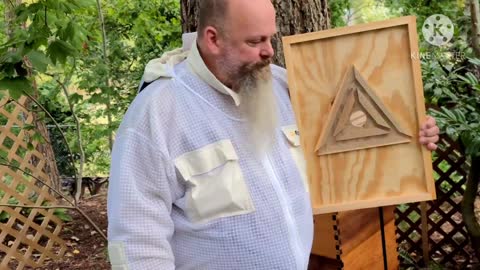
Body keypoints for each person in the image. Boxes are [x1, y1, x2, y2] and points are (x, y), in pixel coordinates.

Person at [107, 0, 440, 269]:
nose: (269, 52)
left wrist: (412, 136)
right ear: (212, 38)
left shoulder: (284, 85)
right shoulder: (157, 113)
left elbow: (356, 143)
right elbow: (136, 241)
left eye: (270, 38)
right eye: (255, 42)